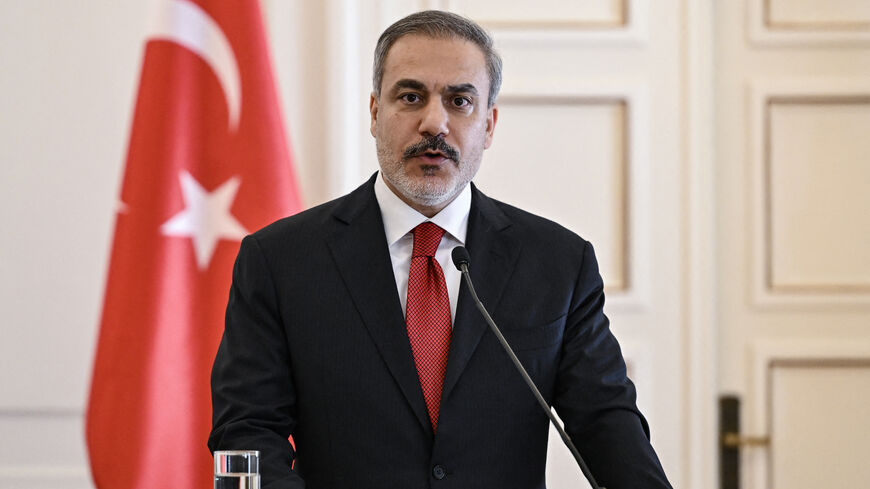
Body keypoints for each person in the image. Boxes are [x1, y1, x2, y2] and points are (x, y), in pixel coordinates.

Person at [209, 10, 672, 489]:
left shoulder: (557, 263)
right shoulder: (280, 261)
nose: (435, 122)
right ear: (374, 113)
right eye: (411, 97)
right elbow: (245, 435)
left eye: (459, 101)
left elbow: (606, 424)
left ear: (489, 125)